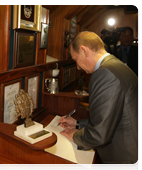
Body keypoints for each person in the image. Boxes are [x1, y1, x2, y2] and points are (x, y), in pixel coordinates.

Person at [58, 31, 140, 170]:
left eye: (75, 59)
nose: (77, 67)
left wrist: (75, 135)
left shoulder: (105, 73)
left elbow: (99, 134)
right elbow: (111, 116)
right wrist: (78, 123)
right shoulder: (116, 65)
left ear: (84, 50)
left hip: (126, 160)